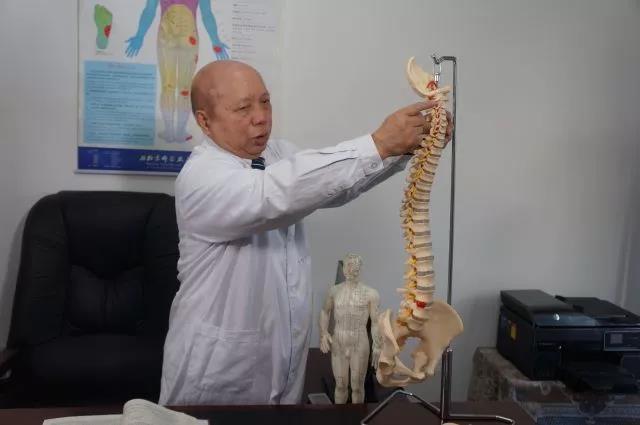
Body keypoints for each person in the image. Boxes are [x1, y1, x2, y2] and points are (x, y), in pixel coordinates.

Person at [159, 60, 451, 405]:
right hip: (216, 373)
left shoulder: (279, 154)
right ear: (205, 121)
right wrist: (378, 144)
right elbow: (274, 193)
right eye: (243, 108)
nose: (261, 117)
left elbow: (334, 187)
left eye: (265, 102)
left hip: (284, 365)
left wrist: (405, 147)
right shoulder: (199, 177)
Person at [125, 0, 229, 144]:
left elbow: (149, 11)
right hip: (189, 39)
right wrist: (215, 41)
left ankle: (169, 131)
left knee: (167, 86)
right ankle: (180, 132)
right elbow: (207, 15)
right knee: (184, 89)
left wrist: (140, 36)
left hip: (166, 38)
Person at [319, 254, 381, 404]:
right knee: (340, 386)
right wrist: (323, 333)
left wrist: (378, 345)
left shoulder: (371, 294)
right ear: (344, 268)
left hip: (359, 341)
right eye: (348, 266)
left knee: (357, 387)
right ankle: (340, 415)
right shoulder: (334, 291)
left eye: (355, 266)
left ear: (360, 268)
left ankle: (356, 415)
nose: (351, 270)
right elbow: (325, 312)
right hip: (339, 341)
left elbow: (376, 322)